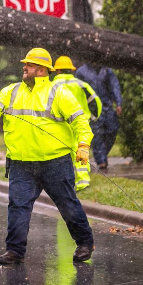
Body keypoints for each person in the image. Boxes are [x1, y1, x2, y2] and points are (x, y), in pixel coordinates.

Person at [0, 48, 94, 265]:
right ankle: (15, 250)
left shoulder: (59, 94)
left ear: (41, 70)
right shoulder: (11, 91)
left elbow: (81, 121)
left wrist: (83, 145)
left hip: (55, 163)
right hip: (21, 164)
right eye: (25, 64)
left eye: (29, 65)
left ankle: (85, 243)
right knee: (18, 205)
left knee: (68, 204)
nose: (24, 68)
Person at [52, 56, 102, 190]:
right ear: (71, 70)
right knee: (81, 149)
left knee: (61, 153)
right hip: (81, 122)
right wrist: (92, 117)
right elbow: (96, 102)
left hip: (60, 124)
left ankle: (63, 182)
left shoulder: (52, 86)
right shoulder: (81, 84)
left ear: (57, 71)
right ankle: (83, 181)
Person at [75, 63, 123, 170]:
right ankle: (101, 161)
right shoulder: (81, 72)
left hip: (107, 106)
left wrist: (118, 102)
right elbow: (77, 91)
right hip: (91, 108)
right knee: (96, 134)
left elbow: (115, 86)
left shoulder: (107, 71)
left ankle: (103, 153)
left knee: (112, 129)